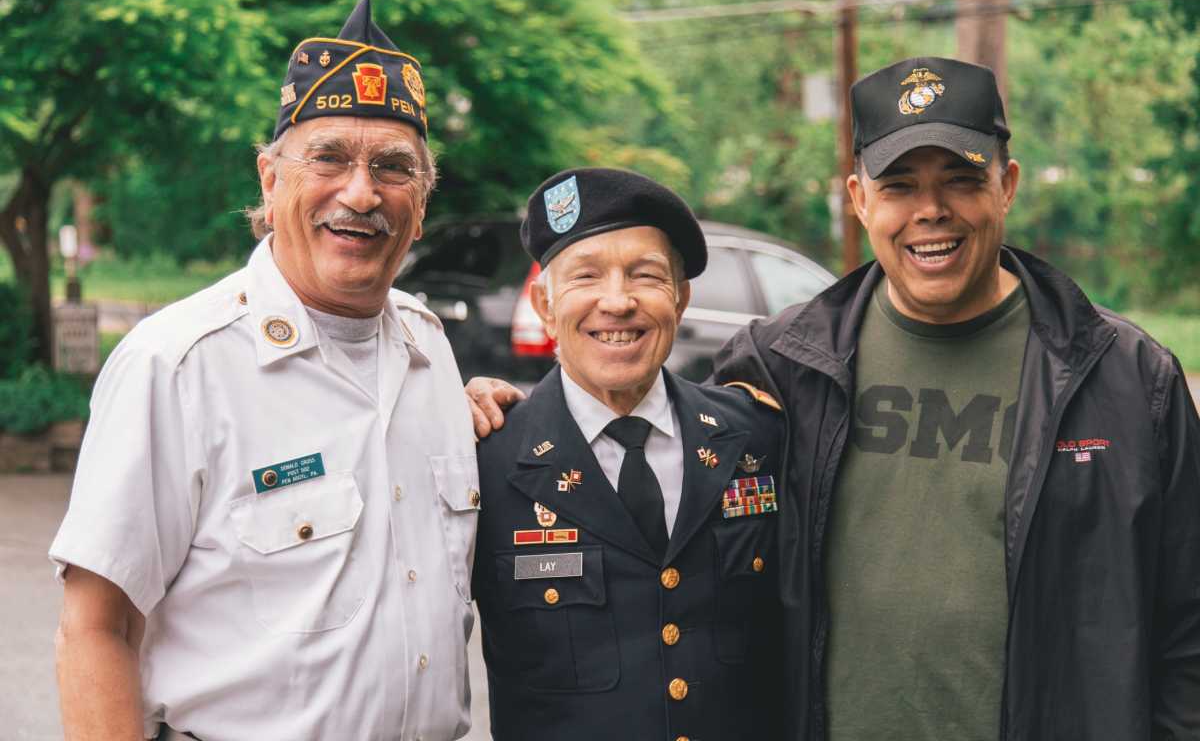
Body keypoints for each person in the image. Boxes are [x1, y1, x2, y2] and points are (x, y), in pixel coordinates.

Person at [710, 57, 1200, 739]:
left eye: (963, 180)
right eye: (900, 185)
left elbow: (1188, 629)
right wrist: (514, 415)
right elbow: (653, 510)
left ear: (1008, 186)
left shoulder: (1128, 378)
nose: (930, 212)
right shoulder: (780, 368)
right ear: (859, 199)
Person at [50, 0, 480, 740]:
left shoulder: (428, 350)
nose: (361, 192)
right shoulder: (179, 364)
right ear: (271, 179)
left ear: (421, 203)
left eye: (392, 167)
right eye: (329, 158)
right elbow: (94, 631)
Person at [471, 168, 786, 741]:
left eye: (645, 276)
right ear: (544, 305)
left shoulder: (757, 438)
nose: (616, 302)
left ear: (680, 298)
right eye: (585, 276)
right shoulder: (484, 459)